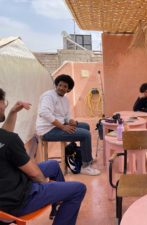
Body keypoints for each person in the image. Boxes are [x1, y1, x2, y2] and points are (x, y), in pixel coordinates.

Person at [0, 88, 86, 225]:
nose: (5, 105)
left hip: (7, 186)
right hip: (16, 202)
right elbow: (34, 174)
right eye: (4, 102)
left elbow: (3, 137)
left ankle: (57, 206)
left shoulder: (5, 138)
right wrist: (48, 185)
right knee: (78, 189)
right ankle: (58, 199)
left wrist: (12, 112)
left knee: (52, 165)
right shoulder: (10, 140)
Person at [36, 74, 100, 176]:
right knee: (85, 134)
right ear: (56, 85)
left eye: (65, 86)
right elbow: (44, 113)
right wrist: (63, 127)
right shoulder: (49, 96)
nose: (61, 88)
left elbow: (66, 116)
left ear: (68, 89)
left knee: (85, 126)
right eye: (60, 85)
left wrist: (71, 121)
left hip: (58, 126)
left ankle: (84, 157)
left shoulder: (65, 99)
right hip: (48, 130)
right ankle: (85, 166)